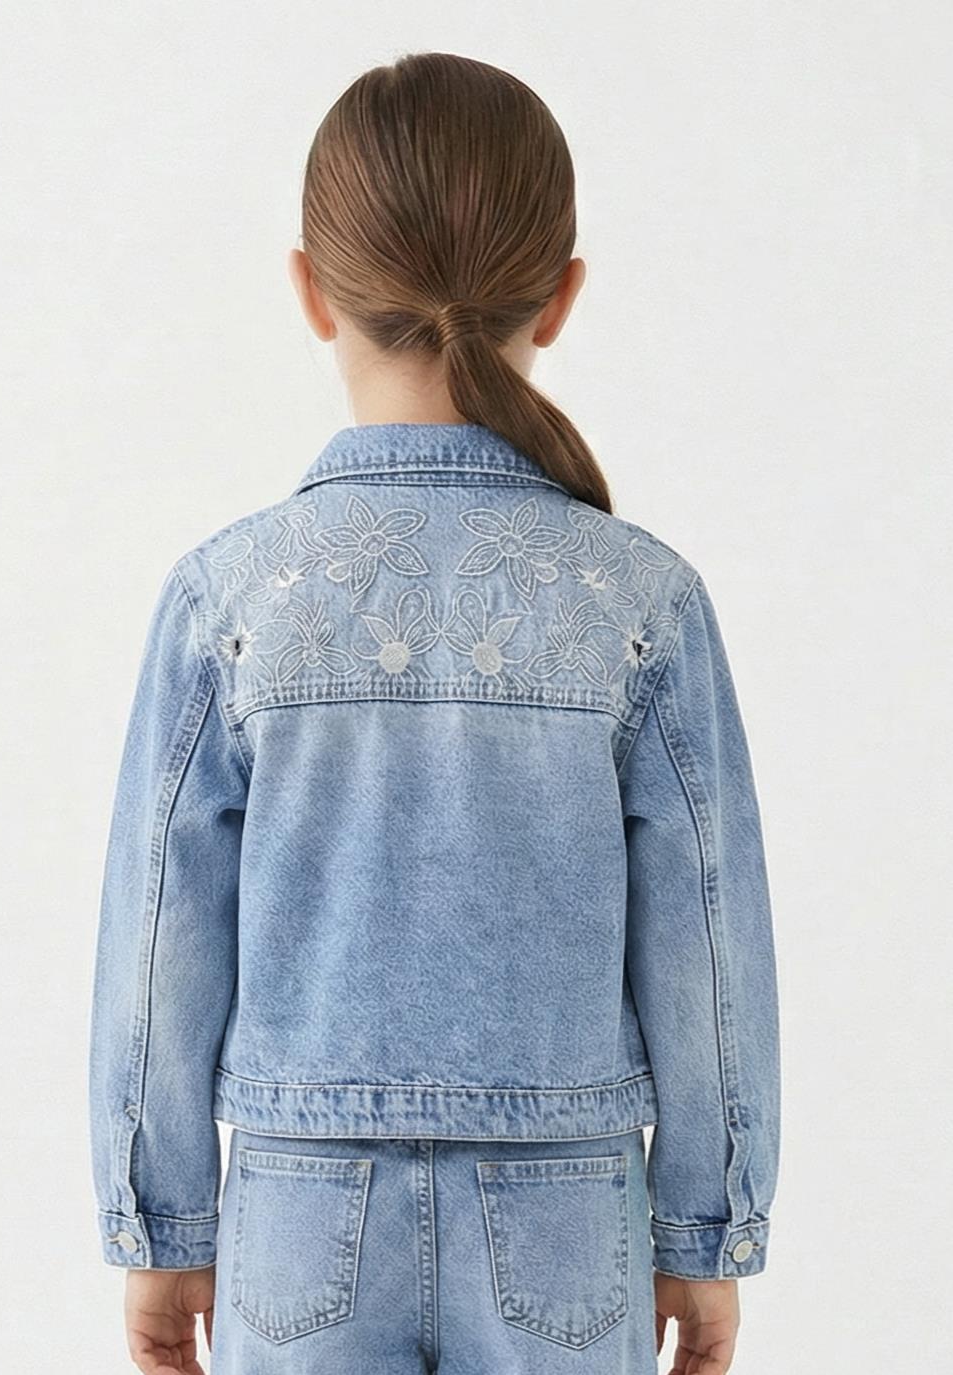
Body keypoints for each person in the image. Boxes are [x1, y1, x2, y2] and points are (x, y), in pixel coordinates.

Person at [88, 50, 781, 1375]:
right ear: (561, 296)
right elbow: (708, 942)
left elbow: (159, 940)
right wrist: (705, 1232)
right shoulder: (642, 599)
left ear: (311, 288)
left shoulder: (230, 598)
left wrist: (160, 1223)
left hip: (298, 1209)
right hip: (569, 1211)